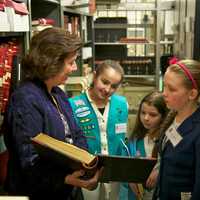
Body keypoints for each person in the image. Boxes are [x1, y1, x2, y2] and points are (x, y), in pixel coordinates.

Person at [3, 27, 101, 200]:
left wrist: (85, 164)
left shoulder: (57, 93)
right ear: (52, 62)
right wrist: (66, 178)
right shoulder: (25, 100)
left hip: (67, 188)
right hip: (42, 192)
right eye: (71, 62)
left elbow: (77, 134)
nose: (74, 68)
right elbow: (30, 161)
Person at [69, 60, 129, 200]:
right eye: (104, 82)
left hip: (114, 173)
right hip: (86, 173)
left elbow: (122, 139)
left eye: (114, 86)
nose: (107, 89)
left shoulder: (122, 104)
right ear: (95, 76)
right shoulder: (73, 105)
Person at [152, 59, 200, 200]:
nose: (164, 93)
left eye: (171, 89)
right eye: (164, 86)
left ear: (192, 94)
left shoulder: (197, 131)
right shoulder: (172, 116)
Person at [119, 91, 168, 200]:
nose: (146, 118)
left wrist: (160, 172)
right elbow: (123, 171)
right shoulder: (132, 143)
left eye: (153, 115)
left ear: (163, 116)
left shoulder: (167, 141)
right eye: (143, 112)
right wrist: (129, 180)